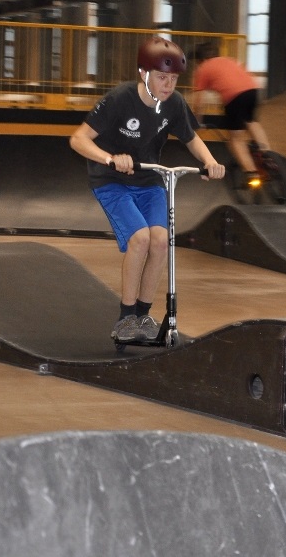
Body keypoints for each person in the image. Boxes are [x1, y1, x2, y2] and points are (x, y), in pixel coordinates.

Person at [70, 36, 225, 343]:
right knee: (140, 240)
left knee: (160, 242)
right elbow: (78, 140)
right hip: (112, 181)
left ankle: (143, 316)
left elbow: (190, 137)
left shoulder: (174, 104)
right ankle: (124, 319)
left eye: (173, 79)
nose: (168, 85)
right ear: (144, 73)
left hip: (150, 181)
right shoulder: (120, 98)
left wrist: (210, 161)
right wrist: (110, 159)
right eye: (161, 77)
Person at [192, 40, 271, 179]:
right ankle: (267, 155)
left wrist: (196, 122)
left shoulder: (204, 67)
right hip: (253, 90)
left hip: (234, 98)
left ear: (201, 59)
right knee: (251, 122)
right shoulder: (229, 60)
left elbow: (199, 101)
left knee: (235, 139)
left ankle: (251, 173)